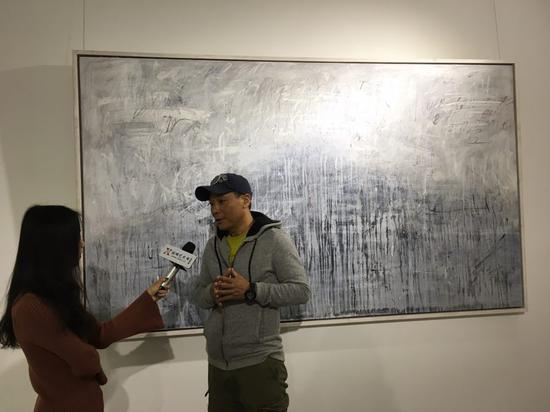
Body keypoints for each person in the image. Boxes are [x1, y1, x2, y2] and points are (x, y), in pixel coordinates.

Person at [0, 205, 169, 412]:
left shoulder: (53, 298)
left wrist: (149, 297)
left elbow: (100, 334)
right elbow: (87, 360)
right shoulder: (31, 307)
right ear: (55, 245)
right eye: (75, 237)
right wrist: (91, 358)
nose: (82, 243)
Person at [192, 173, 310, 412]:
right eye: (211, 204)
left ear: (245, 200)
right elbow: (198, 295)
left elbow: (300, 291)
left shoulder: (274, 240)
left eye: (222, 201)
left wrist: (251, 290)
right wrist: (212, 293)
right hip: (218, 367)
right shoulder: (212, 246)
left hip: (260, 364)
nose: (215, 210)